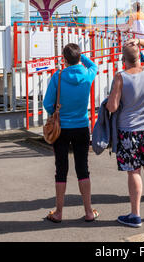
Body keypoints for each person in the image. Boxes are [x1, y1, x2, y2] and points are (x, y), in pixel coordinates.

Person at [106, 37, 144, 228]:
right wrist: (139, 40)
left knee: (134, 172)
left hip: (129, 131)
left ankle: (135, 214)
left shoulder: (120, 77)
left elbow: (113, 106)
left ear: (123, 60)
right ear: (140, 56)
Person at [43, 43, 98, 223]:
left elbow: (47, 104)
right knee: (83, 169)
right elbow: (93, 66)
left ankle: (58, 212)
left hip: (62, 129)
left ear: (64, 59)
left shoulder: (58, 76)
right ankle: (89, 211)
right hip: (82, 126)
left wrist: (57, 109)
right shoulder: (87, 75)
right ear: (78, 57)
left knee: (61, 170)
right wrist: (81, 56)